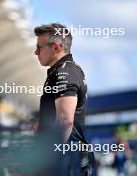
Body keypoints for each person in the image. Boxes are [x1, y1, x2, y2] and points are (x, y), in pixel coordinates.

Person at [34, 23, 95, 176]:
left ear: (55, 47)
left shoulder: (65, 72)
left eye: (39, 47)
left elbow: (65, 120)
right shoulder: (65, 71)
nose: (36, 52)